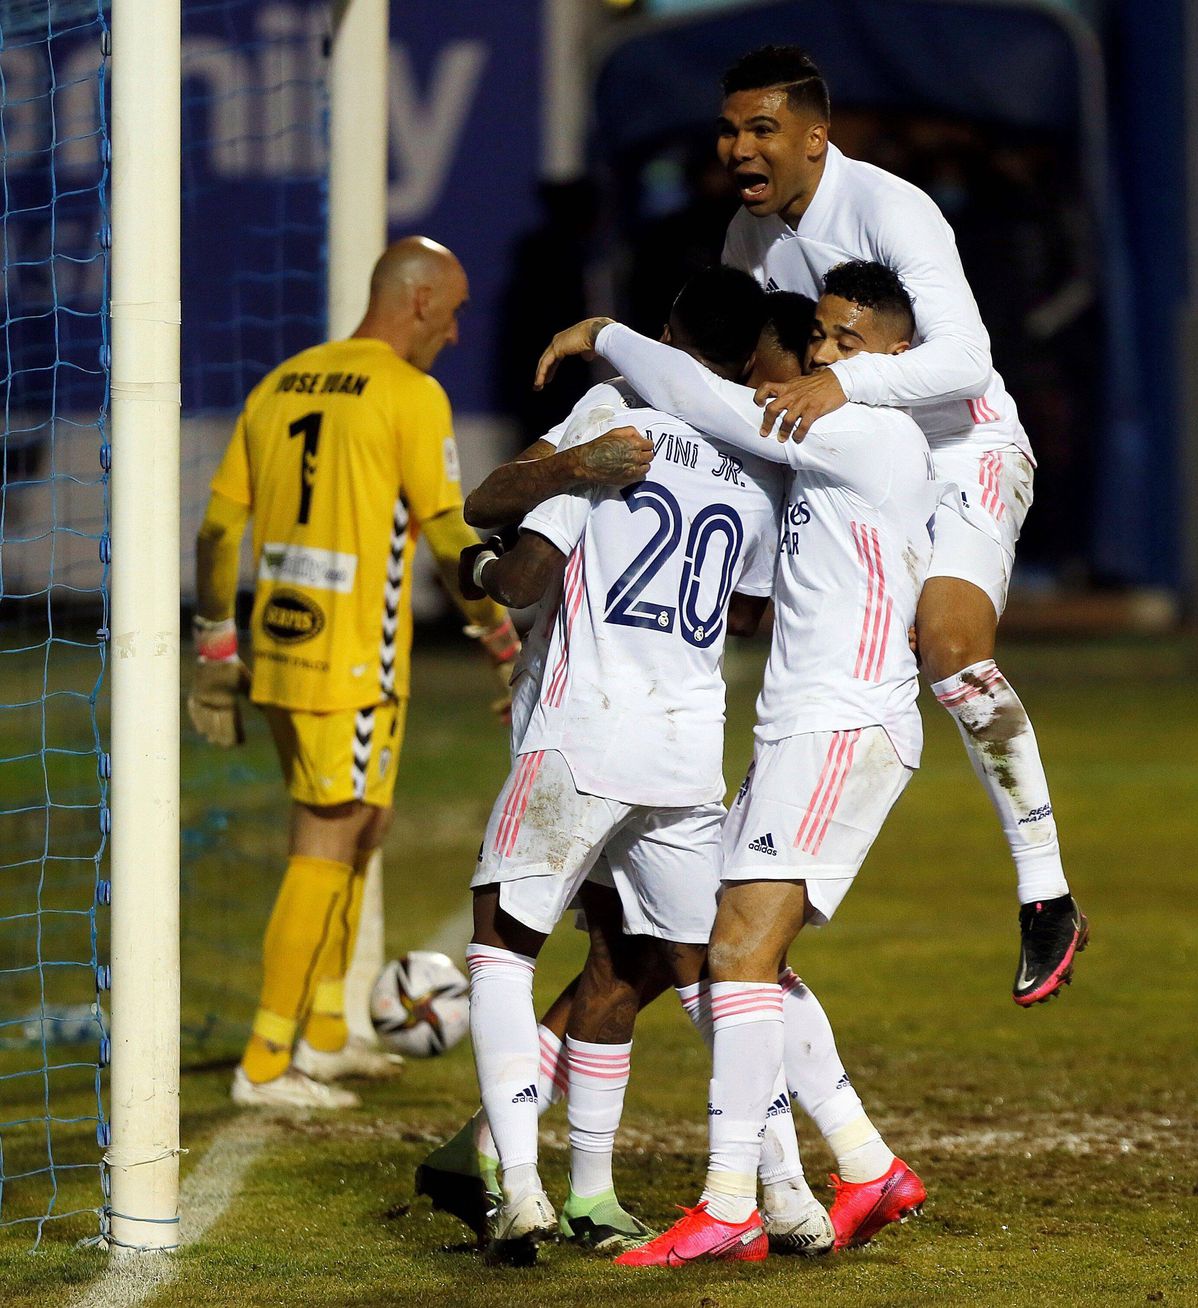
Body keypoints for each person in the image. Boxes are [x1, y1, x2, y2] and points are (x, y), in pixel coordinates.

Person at [540, 262, 935, 1266]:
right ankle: (863, 1163)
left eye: (848, 342)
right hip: (805, 727)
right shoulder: (831, 442)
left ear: (897, 356)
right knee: (745, 955)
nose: (826, 356)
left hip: (840, 723)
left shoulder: (869, 431)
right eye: (822, 337)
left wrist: (605, 335)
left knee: (735, 957)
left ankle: (732, 1206)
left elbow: (703, 397)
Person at [712, 45, 1087, 1005]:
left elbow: (965, 360)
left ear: (814, 138)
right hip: (857, 467)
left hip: (962, 446)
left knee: (950, 646)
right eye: (730, 130)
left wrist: (845, 382)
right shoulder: (748, 242)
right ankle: (758, 878)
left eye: (761, 129)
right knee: (820, 663)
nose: (740, 148)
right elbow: (752, 383)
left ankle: (1046, 892)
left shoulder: (891, 207)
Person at [188, 236, 520, 1111]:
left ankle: (327, 1032)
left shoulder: (282, 382)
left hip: (281, 649)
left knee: (362, 825)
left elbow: (219, 529)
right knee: (329, 837)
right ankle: (267, 1062)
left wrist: (216, 643)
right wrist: (499, 634)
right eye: (452, 314)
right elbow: (445, 534)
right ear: (419, 301)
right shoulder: (409, 393)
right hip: (351, 663)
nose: (454, 334)